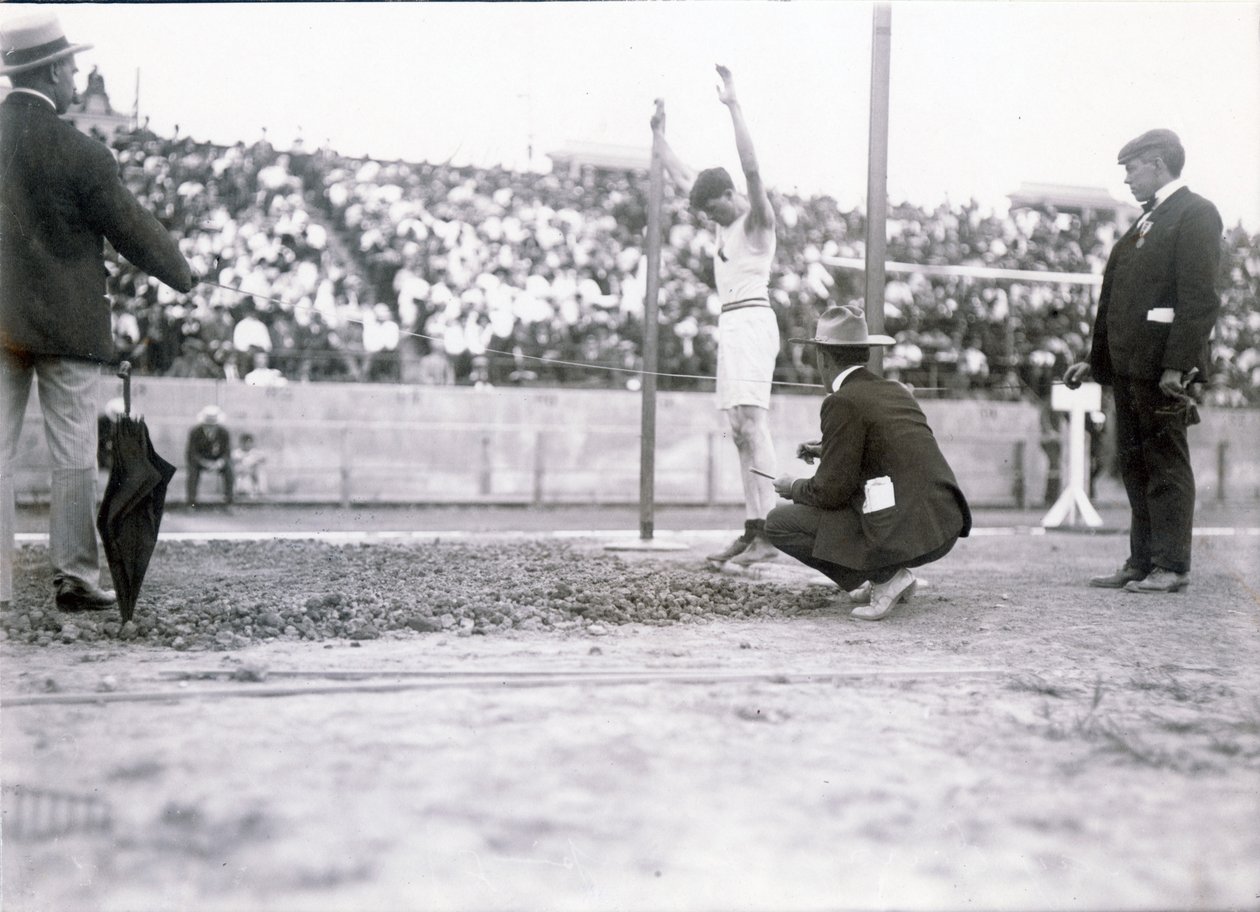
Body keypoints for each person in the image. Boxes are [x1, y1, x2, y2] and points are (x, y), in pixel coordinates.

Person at [0, 12, 192, 610]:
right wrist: (184, 274)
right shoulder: (82, 151)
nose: (78, 75)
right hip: (68, 326)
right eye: (73, 67)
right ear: (54, 71)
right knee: (73, 457)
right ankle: (75, 579)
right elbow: (134, 231)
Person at [1063, 129, 1222, 594]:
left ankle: (1172, 565)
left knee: (1165, 464)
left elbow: (1199, 298)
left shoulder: (1195, 213)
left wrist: (1178, 364)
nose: (1128, 179)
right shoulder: (1142, 225)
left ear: (1156, 163)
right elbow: (1115, 303)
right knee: (1135, 465)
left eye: (1132, 168)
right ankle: (1143, 561)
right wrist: (1095, 362)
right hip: (1132, 367)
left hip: (1162, 370)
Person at [764, 303, 972, 621]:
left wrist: (793, 486)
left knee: (779, 523)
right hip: (942, 524)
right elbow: (890, 450)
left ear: (822, 357)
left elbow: (831, 491)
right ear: (864, 353)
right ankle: (884, 576)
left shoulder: (841, 401)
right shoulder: (896, 390)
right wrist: (827, 449)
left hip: (904, 533)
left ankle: (885, 577)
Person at [653, 64, 780, 567]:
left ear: (729, 197)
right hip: (731, 324)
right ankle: (755, 529)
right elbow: (683, 175)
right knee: (739, 429)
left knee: (753, 424)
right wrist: (660, 136)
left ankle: (772, 532)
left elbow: (750, 167)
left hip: (752, 319)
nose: (709, 219)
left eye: (713, 210)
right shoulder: (722, 221)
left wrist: (734, 105)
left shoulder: (756, 221)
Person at [185, 406, 234, 508]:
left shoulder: (224, 432)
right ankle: (191, 502)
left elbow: (227, 452)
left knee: (229, 469)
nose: (211, 427)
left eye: (213, 424)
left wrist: (220, 462)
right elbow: (191, 453)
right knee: (192, 471)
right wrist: (204, 462)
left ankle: (229, 502)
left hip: (217, 461)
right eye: (208, 424)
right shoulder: (195, 432)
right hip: (200, 461)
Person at [231, 432, 267, 499]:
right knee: (240, 475)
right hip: (240, 474)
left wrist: (253, 463)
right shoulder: (236, 453)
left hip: (251, 474)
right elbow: (234, 463)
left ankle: (258, 491)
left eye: (249, 442)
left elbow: (263, 459)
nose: (247, 445)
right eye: (245, 442)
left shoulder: (255, 452)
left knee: (259, 472)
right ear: (241, 443)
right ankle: (238, 491)